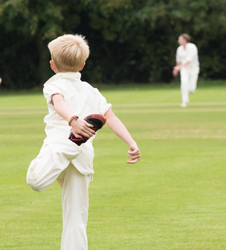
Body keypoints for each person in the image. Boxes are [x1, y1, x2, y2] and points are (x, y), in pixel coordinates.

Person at [26, 34, 141, 250]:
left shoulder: (53, 83)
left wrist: (72, 120)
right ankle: (74, 144)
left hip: (59, 146)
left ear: (52, 64)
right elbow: (111, 118)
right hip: (82, 156)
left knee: (35, 181)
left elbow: (59, 103)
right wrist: (131, 143)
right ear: (82, 65)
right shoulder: (92, 91)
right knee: (76, 218)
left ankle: (71, 144)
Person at [172, 34, 199, 108]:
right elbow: (178, 60)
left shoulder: (192, 47)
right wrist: (176, 69)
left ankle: (189, 91)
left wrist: (179, 67)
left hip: (193, 68)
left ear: (185, 40)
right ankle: (184, 101)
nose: (178, 41)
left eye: (179, 39)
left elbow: (189, 60)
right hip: (184, 69)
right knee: (184, 83)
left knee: (192, 89)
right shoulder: (179, 49)